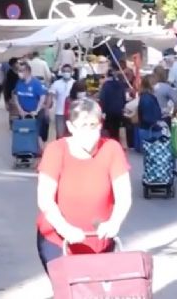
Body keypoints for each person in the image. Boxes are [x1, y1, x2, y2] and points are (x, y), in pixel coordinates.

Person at [36, 98, 132, 273]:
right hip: (58, 239)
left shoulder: (111, 149)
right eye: (83, 125)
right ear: (71, 127)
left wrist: (114, 222)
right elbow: (45, 199)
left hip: (99, 239)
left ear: (100, 125)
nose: (88, 132)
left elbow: (124, 195)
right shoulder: (56, 150)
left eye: (93, 125)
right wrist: (65, 229)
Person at [13, 61, 49, 148]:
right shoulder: (19, 83)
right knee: (23, 132)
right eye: (18, 71)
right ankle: (24, 150)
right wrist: (20, 110)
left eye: (21, 71)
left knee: (37, 133)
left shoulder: (36, 83)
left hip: (36, 113)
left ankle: (41, 152)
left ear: (28, 71)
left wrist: (36, 110)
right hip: (23, 112)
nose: (19, 73)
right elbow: (15, 96)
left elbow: (42, 97)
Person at [99, 69, 128, 141]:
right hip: (118, 110)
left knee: (109, 129)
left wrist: (103, 110)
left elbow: (102, 98)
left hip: (109, 111)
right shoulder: (121, 84)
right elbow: (124, 98)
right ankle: (116, 142)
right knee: (116, 129)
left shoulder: (106, 85)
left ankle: (109, 142)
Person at [48, 65, 75, 139]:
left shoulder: (75, 83)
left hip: (72, 113)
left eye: (68, 71)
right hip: (59, 113)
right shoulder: (56, 83)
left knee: (72, 135)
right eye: (64, 71)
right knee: (60, 135)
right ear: (61, 72)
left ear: (72, 72)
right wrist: (47, 108)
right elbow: (51, 95)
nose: (66, 73)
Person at [137, 75, 163, 143]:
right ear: (151, 85)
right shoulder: (147, 98)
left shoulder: (148, 97)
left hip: (150, 129)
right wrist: (158, 122)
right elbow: (147, 117)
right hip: (150, 131)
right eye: (156, 83)